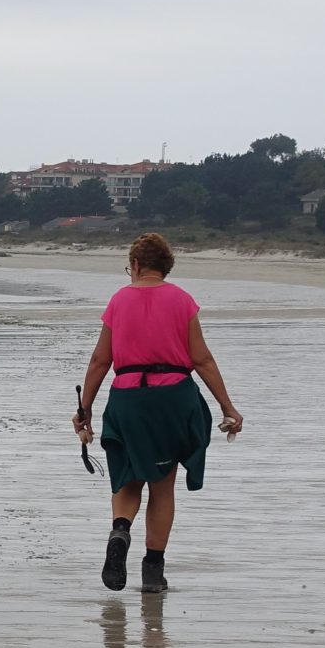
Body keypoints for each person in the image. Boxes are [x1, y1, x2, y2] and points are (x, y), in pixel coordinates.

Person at [73, 233, 245, 593]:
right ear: (166, 267)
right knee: (162, 486)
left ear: (135, 265)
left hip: (128, 398)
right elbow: (202, 359)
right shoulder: (182, 300)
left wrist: (84, 409)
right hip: (172, 398)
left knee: (128, 478)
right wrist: (227, 406)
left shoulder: (119, 300)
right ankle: (153, 573)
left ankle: (120, 532)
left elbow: (101, 360)